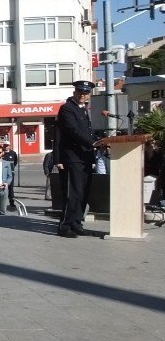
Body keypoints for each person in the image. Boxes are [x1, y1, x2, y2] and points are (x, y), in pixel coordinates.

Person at [55, 80, 104, 238]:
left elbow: (87, 132)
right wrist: (93, 142)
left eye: (86, 93)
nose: (83, 95)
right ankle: (64, 226)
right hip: (73, 157)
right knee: (73, 193)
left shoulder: (82, 109)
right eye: (80, 92)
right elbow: (73, 131)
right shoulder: (67, 109)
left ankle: (76, 222)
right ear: (75, 92)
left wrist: (101, 141)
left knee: (83, 192)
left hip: (85, 157)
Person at [2, 142, 19, 212]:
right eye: (5, 146)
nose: (6, 147)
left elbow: (15, 162)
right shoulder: (1, 153)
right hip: (3, 174)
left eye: (7, 146)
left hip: (11, 174)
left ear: (9, 146)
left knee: (11, 189)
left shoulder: (13, 153)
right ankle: (2, 203)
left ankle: (12, 203)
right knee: (2, 189)